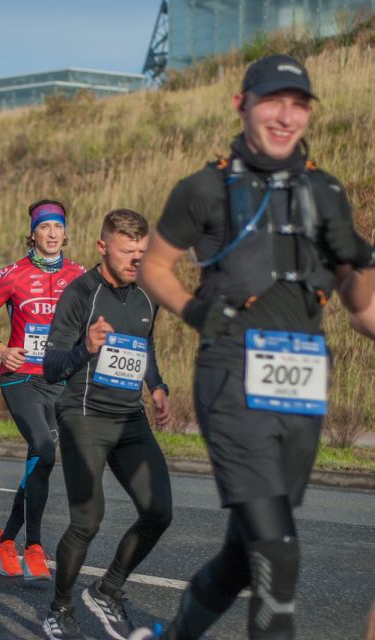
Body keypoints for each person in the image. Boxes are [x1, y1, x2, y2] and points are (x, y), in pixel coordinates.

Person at [133, 55, 375, 639]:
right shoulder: (205, 189)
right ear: (243, 104)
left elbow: (364, 308)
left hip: (302, 384)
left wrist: (364, 259)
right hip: (231, 376)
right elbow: (154, 265)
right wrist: (193, 310)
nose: (285, 115)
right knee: (279, 553)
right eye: (273, 101)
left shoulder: (326, 191)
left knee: (247, 553)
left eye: (298, 104)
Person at [39, 209, 172, 640]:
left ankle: (107, 589)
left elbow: (145, 344)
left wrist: (156, 386)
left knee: (158, 511)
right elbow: (51, 367)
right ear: (102, 248)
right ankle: (59, 608)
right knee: (87, 520)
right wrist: (86, 347)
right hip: (83, 414)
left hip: (128, 416)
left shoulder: (147, 294)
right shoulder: (80, 295)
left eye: (141, 250)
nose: (137, 259)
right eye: (127, 251)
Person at [0, 200, 86, 580]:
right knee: (44, 446)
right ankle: (33, 545)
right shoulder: (12, 274)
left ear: (65, 233)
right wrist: (0, 348)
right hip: (19, 377)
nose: (52, 234)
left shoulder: (81, 276)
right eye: (45, 227)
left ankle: (7, 539)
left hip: (58, 380)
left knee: (42, 459)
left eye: (58, 227)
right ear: (33, 233)